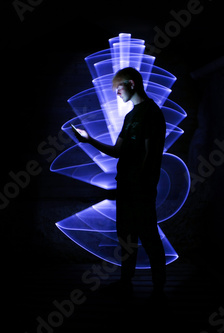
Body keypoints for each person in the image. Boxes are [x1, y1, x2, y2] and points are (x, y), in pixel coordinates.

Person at [73, 67, 167, 297]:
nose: (116, 93)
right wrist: (89, 140)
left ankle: (158, 289)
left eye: (118, 88)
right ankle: (127, 282)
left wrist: (142, 186)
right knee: (126, 236)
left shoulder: (151, 113)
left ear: (132, 84)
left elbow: (150, 155)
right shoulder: (130, 116)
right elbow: (118, 151)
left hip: (140, 189)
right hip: (126, 187)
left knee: (148, 235)